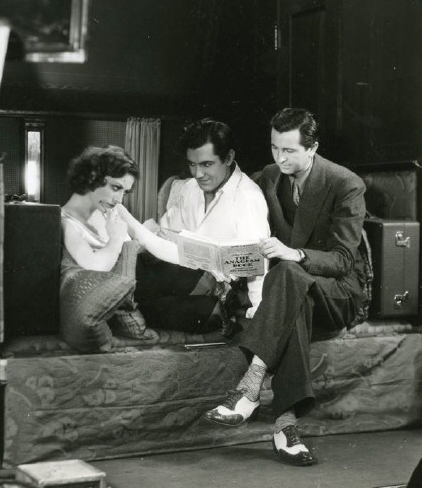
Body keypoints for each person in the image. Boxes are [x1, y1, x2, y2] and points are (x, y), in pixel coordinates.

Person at [204, 108, 368, 467]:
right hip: (291, 294)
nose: (280, 158)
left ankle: (251, 384)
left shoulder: (346, 184)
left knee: (289, 273)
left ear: (313, 148)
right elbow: (231, 186)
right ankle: (285, 425)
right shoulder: (268, 177)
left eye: (290, 150)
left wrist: (293, 253)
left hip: (336, 293)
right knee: (290, 292)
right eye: (275, 148)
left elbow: (342, 260)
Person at [132, 118, 270, 333]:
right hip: (180, 274)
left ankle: (210, 313)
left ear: (229, 157)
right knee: (139, 265)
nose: (198, 174)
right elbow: (168, 233)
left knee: (165, 303)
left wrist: (258, 311)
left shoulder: (248, 197)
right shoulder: (189, 188)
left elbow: (257, 265)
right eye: (192, 164)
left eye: (206, 164)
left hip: (221, 287)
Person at [59, 145, 166, 352]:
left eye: (125, 192)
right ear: (91, 178)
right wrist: (116, 239)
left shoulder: (110, 207)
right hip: (134, 295)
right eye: (116, 188)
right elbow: (96, 268)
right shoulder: (66, 223)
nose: (119, 199)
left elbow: (146, 239)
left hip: (148, 280)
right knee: (203, 309)